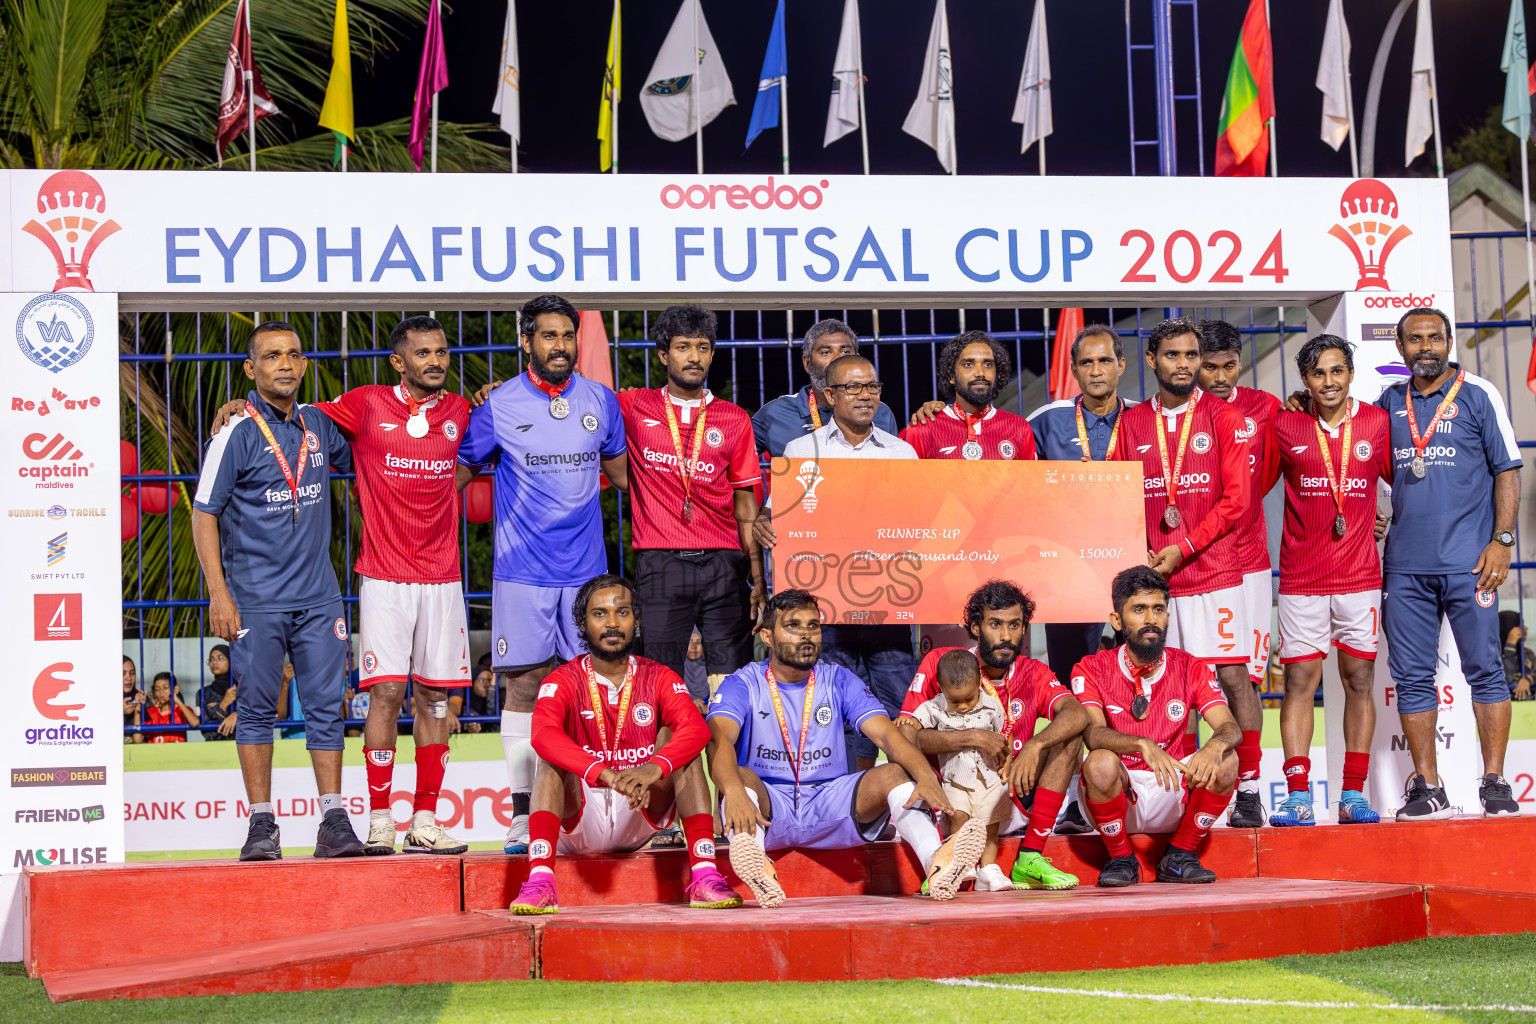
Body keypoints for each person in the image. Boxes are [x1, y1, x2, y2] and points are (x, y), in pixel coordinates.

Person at [210, 314, 479, 853]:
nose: (435, 361)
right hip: (361, 578)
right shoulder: (359, 404)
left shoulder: (461, 410)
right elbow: (212, 503)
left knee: (418, 701)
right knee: (376, 695)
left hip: (418, 581)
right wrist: (240, 405)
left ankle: (401, 820)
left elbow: (484, 445)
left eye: (441, 352)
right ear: (398, 361)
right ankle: (356, 821)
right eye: (421, 353)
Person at [459, 294, 630, 853]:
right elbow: (451, 478)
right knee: (526, 687)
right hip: (522, 574)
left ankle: (602, 807)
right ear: (527, 342)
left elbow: (626, 476)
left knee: (594, 687)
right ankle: (520, 813)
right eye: (549, 336)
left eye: (567, 336)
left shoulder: (601, 401)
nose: (560, 346)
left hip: (588, 576)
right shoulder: (497, 406)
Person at [191, 320, 362, 860]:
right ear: (251, 368)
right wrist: (219, 594)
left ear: (304, 365)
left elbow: (373, 452)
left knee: (326, 708)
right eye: (270, 356)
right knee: (259, 710)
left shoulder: (318, 424)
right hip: (256, 601)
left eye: (292, 355)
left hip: (319, 598)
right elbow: (203, 516)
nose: (284, 364)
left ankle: (333, 820)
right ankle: (262, 826)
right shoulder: (234, 432)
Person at [707, 589, 974, 906]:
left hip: (831, 802)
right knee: (739, 777)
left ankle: (937, 863)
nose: (806, 635)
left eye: (813, 626)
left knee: (895, 773)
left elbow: (887, 735)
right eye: (793, 625)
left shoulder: (838, 678)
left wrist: (924, 775)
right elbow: (718, 740)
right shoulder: (743, 682)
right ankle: (759, 866)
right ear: (767, 634)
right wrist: (733, 791)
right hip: (767, 808)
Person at [506, 575, 741, 914]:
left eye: (622, 612)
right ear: (582, 623)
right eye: (599, 614)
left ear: (636, 620)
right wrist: (609, 775)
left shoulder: (659, 676)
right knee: (550, 755)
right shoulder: (563, 680)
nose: (612, 623)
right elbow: (542, 734)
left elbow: (696, 730)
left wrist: (654, 767)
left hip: (640, 811)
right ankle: (540, 881)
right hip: (579, 818)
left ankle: (705, 875)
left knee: (679, 742)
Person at [1374, 308, 1521, 818]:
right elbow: (1355, 459)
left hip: (1470, 562)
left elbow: (1507, 470)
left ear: (1450, 340)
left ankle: (1496, 782)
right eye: (1415, 340)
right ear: (1400, 348)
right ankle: (1428, 788)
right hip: (1405, 568)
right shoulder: (1387, 403)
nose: (1426, 347)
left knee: (1486, 672)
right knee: (1412, 677)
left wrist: (1502, 539)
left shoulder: (1479, 394)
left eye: (1435, 337)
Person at [1115, 317, 1262, 828]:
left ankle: (1248, 788)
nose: (1185, 365)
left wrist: (1185, 545)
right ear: (1152, 361)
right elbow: (1116, 494)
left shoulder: (1223, 416)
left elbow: (1237, 501)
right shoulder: (1132, 422)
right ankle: (1162, 787)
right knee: (1161, 680)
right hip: (1156, 580)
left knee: (1230, 677)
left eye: (1191, 356)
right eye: (1173, 356)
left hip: (1214, 571)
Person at [760, 354, 919, 772]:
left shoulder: (903, 453)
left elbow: (917, 524)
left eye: (872, 387)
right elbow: (779, 519)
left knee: (902, 706)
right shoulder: (799, 450)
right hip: (826, 608)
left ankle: (909, 800)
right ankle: (841, 799)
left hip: (889, 605)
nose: (866, 396)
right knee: (830, 708)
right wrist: (763, 522)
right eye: (853, 387)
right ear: (829, 395)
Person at [1270, 336, 1393, 827]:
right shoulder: (1286, 424)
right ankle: (1298, 795)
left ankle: (1352, 795)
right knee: (1300, 681)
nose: (1329, 382)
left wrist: (1387, 516)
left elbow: (1401, 481)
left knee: (1359, 680)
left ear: (1350, 374)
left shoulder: (1377, 423)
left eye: (1337, 371)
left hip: (1361, 575)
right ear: (1305, 380)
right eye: (1318, 374)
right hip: (1301, 576)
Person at [898, 579, 1087, 890]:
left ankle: (1030, 856)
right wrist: (972, 736)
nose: (1006, 636)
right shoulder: (944, 664)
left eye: (1015, 625)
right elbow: (905, 736)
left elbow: (1077, 713)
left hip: (1006, 791)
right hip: (951, 795)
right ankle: (952, 860)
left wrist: (1035, 745)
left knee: (1070, 736)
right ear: (974, 627)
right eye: (995, 625)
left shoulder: (1033, 672)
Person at [618, 303, 764, 691]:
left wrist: (758, 575)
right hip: (661, 560)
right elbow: (580, 396)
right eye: (683, 346)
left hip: (724, 563)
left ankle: (727, 755)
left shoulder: (734, 418)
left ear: (712, 354)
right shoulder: (633, 406)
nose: (694, 356)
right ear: (664, 354)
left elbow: (746, 506)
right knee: (659, 684)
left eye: (703, 347)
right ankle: (669, 755)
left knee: (730, 685)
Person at [1075, 566, 1241, 887]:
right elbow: (1094, 735)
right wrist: (1141, 744)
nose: (1151, 619)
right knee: (1099, 763)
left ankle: (1179, 856)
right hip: (1118, 790)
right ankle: (1121, 859)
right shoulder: (1092, 667)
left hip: (1172, 787)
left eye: (1159, 609)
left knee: (1227, 759)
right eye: (1139, 609)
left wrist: (1214, 746)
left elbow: (1229, 728)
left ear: (1167, 617)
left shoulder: (1190, 666)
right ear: (1117, 621)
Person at [1026, 323, 1132, 692]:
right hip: (1070, 569)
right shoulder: (1045, 420)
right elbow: (1008, 475)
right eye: (1087, 362)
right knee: (1069, 678)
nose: (1097, 369)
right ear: (1073, 370)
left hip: (1131, 566)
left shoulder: (1142, 417)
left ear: (1122, 364)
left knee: (1135, 672)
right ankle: (1071, 751)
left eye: (1105, 360)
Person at [907, 651, 1012, 892]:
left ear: (978, 685)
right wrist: (910, 723)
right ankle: (959, 863)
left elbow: (1005, 732)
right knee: (958, 819)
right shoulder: (935, 706)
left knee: (990, 824)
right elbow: (915, 724)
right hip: (955, 780)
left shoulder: (991, 705)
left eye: (969, 698)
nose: (963, 706)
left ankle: (988, 870)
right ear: (941, 689)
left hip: (988, 778)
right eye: (955, 701)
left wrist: (1008, 760)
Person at [751, 319, 911, 458]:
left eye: (846, 351)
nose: (837, 359)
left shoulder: (880, 412)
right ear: (807, 363)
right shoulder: (775, 413)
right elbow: (734, 460)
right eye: (826, 352)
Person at [899, 330, 1037, 461]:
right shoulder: (922, 429)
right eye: (968, 364)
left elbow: (1029, 484)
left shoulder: (1019, 428)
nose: (980, 372)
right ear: (951, 375)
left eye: (988, 364)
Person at [143, 672, 198, 743]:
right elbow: (138, 739)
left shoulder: (182, 711)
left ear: (175, 689)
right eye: (157, 689)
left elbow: (195, 723)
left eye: (165, 688)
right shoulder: (150, 713)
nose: (161, 692)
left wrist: (177, 701)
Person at [201, 644, 235, 740]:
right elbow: (207, 733)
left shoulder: (242, 689)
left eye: (220, 658)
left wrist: (238, 715)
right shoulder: (203, 693)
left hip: (243, 747)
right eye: (211, 659)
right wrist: (223, 704)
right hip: (214, 748)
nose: (214, 662)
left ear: (230, 660)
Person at [1501, 612, 1534, 700]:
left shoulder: (1528, 654)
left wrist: (1528, 679)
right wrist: (1510, 647)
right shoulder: (1494, 656)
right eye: (1520, 626)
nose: (1526, 628)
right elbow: (1507, 679)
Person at [683, 630, 710, 707]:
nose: (693, 646)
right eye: (689, 642)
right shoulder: (677, 669)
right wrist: (689, 705)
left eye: (698, 642)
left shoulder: (714, 670)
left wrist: (708, 708)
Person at [123, 657, 145, 744]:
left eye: (132, 673)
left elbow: (139, 741)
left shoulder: (140, 698)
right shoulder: (103, 700)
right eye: (122, 673)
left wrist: (138, 710)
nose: (128, 678)